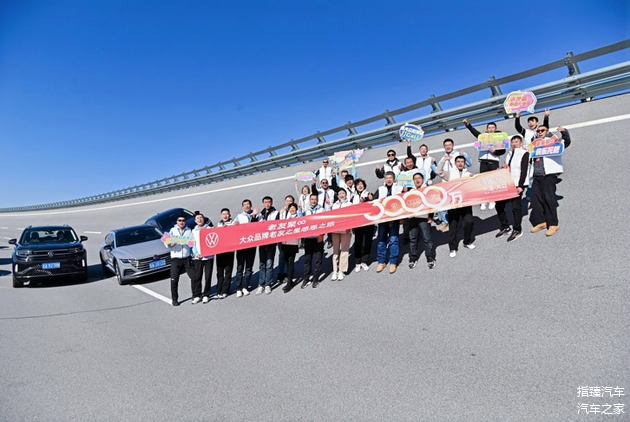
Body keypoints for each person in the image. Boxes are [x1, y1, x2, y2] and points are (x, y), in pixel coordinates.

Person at [528, 125, 572, 236]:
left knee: (549, 198)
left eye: (542, 130)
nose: (540, 132)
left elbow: (566, 142)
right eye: (538, 131)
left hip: (548, 174)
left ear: (547, 132)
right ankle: (541, 221)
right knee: (535, 199)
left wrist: (564, 132)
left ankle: (553, 224)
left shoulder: (553, 141)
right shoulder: (534, 143)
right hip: (536, 175)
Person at [463, 118, 506, 210]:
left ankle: (492, 200)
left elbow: (503, 150)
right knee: (482, 182)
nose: (491, 129)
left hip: (493, 161)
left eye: (492, 128)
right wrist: (468, 125)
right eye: (489, 128)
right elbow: (475, 132)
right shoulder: (482, 137)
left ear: (495, 129)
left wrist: (495, 151)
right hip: (483, 161)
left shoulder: (499, 138)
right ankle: (484, 200)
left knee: (492, 182)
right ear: (486, 129)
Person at [437, 155, 475, 258]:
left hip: (465, 203)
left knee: (469, 222)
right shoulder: (450, 173)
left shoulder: (468, 174)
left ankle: (467, 241)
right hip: (453, 204)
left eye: (462, 161)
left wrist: (473, 178)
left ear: (464, 163)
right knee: (453, 226)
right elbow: (439, 172)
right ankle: (453, 247)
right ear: (455, 163)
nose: (460, 163)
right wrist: (443, 160)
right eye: (458, 161)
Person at [495, 135, 530, 242]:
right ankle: (505, 227)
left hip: (517, 184)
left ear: (521, 143)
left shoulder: (524, 153)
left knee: (516, 207)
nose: (514, 144)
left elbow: (524, 170)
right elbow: (508, 169)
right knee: (499, 205)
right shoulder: (509, 154)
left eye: (516, 141)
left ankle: (517, 230)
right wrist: (504, 167)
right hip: (508, 184)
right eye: (512, 142)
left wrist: (521, 186)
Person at [434, 139, 472, 232]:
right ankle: (445, 222)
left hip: (456, 183)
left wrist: (464, 154)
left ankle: (459, 221)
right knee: (444, 202)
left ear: (453, 145)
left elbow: (469, 164)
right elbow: (438, 170)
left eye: (449, 145)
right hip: (445, 183)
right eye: (446, 145)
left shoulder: (458, 154)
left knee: (457, 203)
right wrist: (434, 163)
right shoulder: (443, 157)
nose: (448, 147)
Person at [372, 171, 404, 274]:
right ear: (384, 179)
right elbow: (374, 201)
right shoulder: (380, 189)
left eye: (390, 178)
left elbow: (404, 201)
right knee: (381, 240)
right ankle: (381, 261)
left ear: (394, 179)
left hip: (394, 218)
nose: (389, 180)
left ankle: (393, 262)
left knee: (393, 240)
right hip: (383, 219)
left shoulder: (399, 188)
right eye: (387, 178)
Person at [408, 172, 436, 269]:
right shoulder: (411, 191)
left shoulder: (427, 190)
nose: (417, 180)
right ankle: (412, 258)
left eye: (419, 178)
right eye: (415, 179)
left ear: (423, 180)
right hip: (413, 218)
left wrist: (431, 216)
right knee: (412, 239)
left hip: (424, 217)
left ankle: (430, 258)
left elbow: (431, 203)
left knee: (427, 239)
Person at [167, 215, 196, 306]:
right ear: (177, 222)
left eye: (183, 220)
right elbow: (166, 241)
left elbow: (192, 243)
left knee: (194, 277)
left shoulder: (189, 230)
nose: (181, 222)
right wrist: (170, 244)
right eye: (179, 220)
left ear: (185, 222)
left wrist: (189, 243)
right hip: (176, 258)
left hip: (187, 258)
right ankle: (174, 299)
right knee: (174, 279)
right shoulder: (172, 230)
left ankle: (195, 295)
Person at [255, 196, 279, 295]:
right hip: (262, 242)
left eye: (269, 202)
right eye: (265, 202)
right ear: (263, 203)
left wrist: (267, 224)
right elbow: (254, 226)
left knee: (269, 264)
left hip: (271, 242)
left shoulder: (276, 213)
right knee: (262, 264)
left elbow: (278, 225)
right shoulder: (260, 214)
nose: (267, 204)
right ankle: (261, 284)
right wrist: (254, 216)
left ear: (271, 203)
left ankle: (268, 284)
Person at [234, 199, 257, 297]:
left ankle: (245, 286)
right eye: (244, 205)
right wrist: (235, 224)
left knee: (249, 268)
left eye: (248, 204)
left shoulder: (257, 215)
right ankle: (238, 288)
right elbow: (232, 228)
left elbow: (261, 226)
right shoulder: (239, 216)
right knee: (240, 268)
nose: (246, 206)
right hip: (241, 245)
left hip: (251, 245)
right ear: (242, 206)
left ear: (251, 205)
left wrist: (256, 217)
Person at [301, 193, 324, 288]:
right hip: (308, 238)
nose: (314, 201)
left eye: (315, 199)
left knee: (318, 259)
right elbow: (301, 221)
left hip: (318, 237)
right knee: (307, 259)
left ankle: (316, 278)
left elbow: (324, 223)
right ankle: (306, 278)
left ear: (317, 200)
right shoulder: (305, 210)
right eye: (312, 199)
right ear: (309, 200)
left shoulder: (321, 209)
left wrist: (322, 235)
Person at [191, 212, 214, 304]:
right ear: (195, 220)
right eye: (198, 218)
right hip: (198, 258)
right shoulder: (193, 231)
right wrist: (197, 254)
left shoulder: (209, 229)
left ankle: (206, 295)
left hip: (209, 257)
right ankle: (197, 295)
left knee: (208, 276)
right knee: (198, 276)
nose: (200, 219)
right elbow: (192, 244)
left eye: (201, 217)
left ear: (203, 219)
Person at [351, 178, 374, 272]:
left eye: (361, 184)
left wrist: (368, 199)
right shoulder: (353, 196)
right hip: (358, 222)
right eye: (358, 185)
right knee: (358, 242)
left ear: (364, 185)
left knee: (368, 241)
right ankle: (357, 262)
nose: (360, 186)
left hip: (368, 221)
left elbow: (372, 201)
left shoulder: (368, 193)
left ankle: (364, 261)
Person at [330, 189, 353, 280]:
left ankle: (341, 270)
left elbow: (352, 217)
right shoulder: (334, 205)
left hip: (345, 230)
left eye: (343, 193)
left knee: (344, 250)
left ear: (346, 195)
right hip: (335, 230)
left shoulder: (350, 204)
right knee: (335, 250)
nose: (341, 195)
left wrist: (349, 227)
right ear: (337, 196)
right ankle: (335, 270)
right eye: (340, 193)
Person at [215, 208, 235, 299]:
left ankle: (225, 290)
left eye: (227, 214)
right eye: (223, 214)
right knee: (219, 272)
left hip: (229, 251)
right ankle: (218, 290)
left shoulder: (233, 223)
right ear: (221, 215)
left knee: (228, 271)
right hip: (220, 251)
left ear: (229, 215)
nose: (225, 216)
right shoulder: (219, 224)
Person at [281, 203, 300, 293]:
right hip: (285, 243)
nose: (292, 209)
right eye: (291, 208)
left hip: (293, 243)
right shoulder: (286, 217)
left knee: (291, 262)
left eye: (294, 208)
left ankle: (289, 282)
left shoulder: (298, 218)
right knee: (286, 262)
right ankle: (290, 280)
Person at [275, 195, 294, 285]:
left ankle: (288, 274)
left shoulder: (295, 211)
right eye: (287, 201)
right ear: (285, 202)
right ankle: (281, 273)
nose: (289, 202)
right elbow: (276, 223)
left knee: (290, 257)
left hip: (292, 239)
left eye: (290, 201)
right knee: (282, 256)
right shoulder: (281, 212)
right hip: (282, 238)